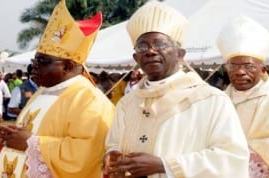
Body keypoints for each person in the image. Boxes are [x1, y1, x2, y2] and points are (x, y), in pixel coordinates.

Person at [102, 1, 249, 178]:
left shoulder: (211, 100)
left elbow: (232, 159)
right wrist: (112, 155)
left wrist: (165, 166)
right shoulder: (126, 104)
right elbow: (114, 143)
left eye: (160, 44)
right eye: (142, 46)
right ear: (136, 57)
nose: (150, 51)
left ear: (180, 54)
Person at [0, 0, 114, 177]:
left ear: (68, 66)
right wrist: (7, 138)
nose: (34, 66)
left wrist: (31, 144)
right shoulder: (41, 92)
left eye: (42, 61)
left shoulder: (91, 101)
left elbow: (88, 154)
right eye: (34, 61)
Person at [217, 15, 269, 178]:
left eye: (248, 66)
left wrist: (258, 154)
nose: (239, 71)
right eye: (233, 65)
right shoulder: (217, 101)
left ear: (262, 69)